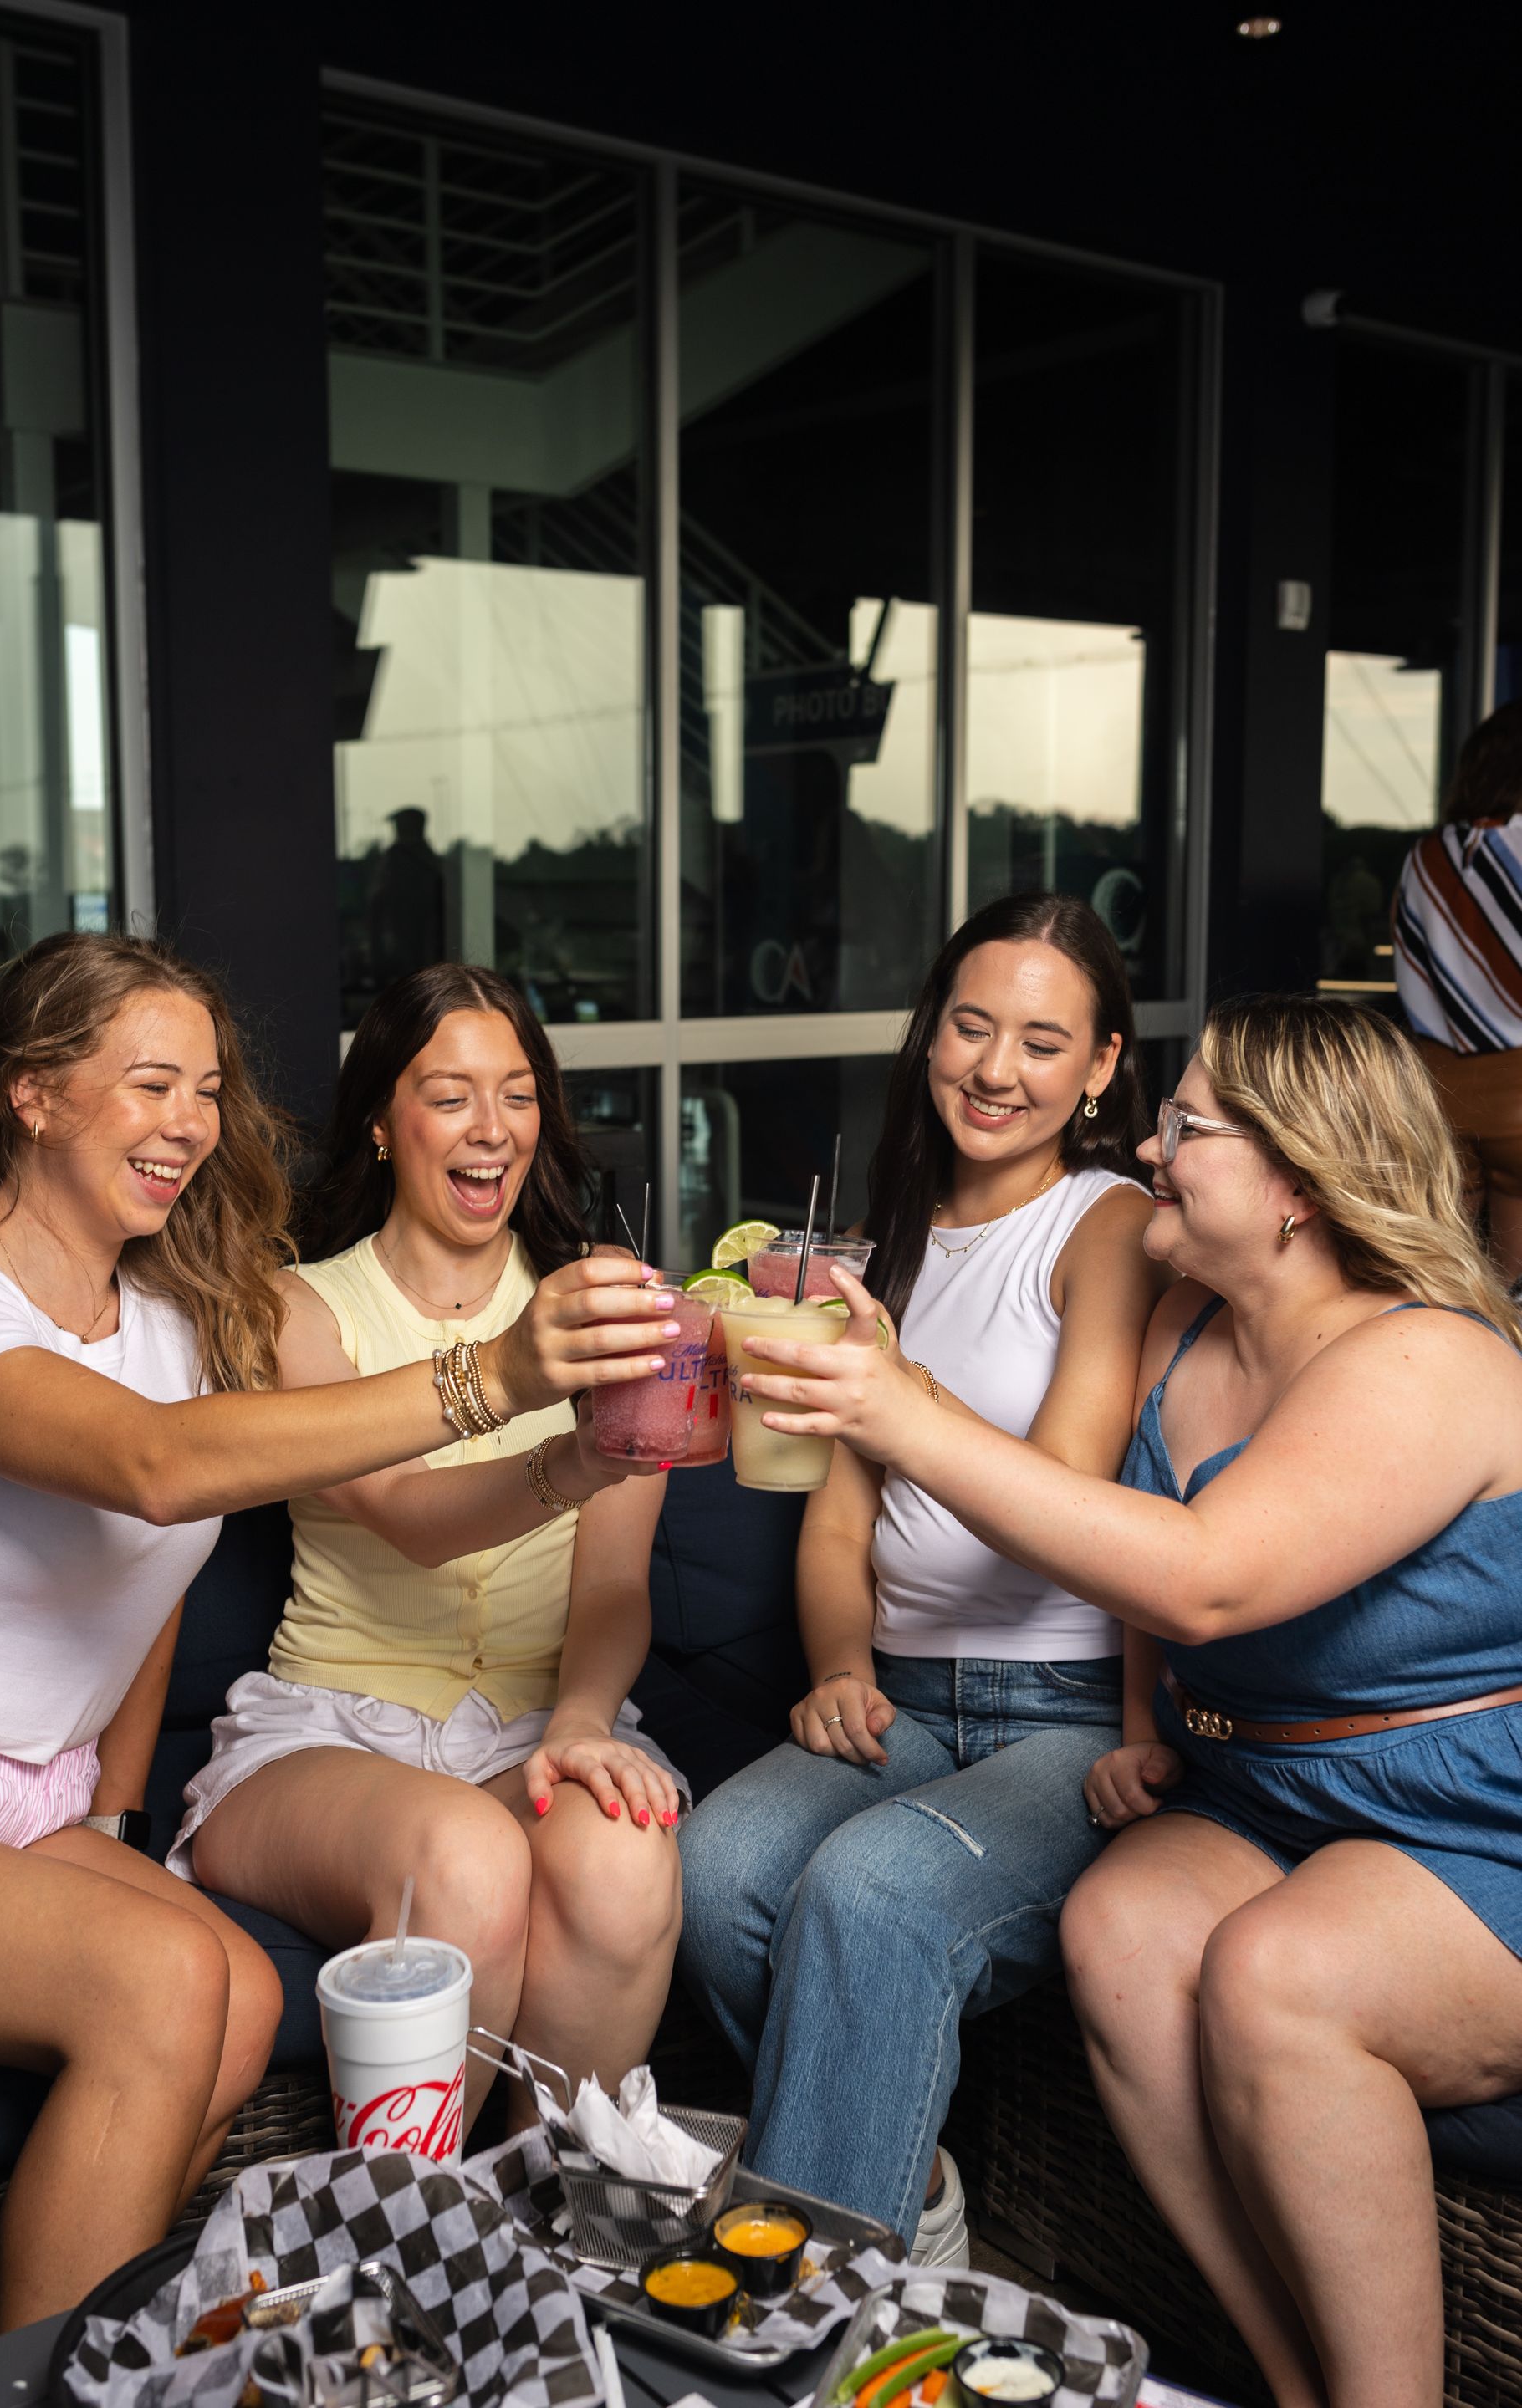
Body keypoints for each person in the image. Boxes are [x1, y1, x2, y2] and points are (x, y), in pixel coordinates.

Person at [738, 994, 1522, 2408]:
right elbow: (1133, 1552)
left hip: (1468, 1819)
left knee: (1279, 1974)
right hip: (1268, 1792)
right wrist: (1152, 1726)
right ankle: (1292, 2380)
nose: (1148, 1151)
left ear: (1296, 1181)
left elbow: (1210, 1575)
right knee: (1121, 1923)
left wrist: (899, 1412)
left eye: (1187, 1127)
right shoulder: (1184, 1329)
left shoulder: (1430, 1362)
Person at [0, 933, 677, 2348]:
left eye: (206, 1090)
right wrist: (496, 1378)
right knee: (160, 1979)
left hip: (30, 1807)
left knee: (241, 1984)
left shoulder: (170, 1319)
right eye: (151, 1084)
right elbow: (150, 1471)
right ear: (28, 1093)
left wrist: (114, 1806)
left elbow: (137, 1578)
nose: (192, 1124)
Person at [678, 893, 1166, 2259]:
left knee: (870, 1890)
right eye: (970, 1026)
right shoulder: (886, 1242)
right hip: (901, 1695)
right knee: (716, 1875)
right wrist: (837, 1665)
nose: (996, 1070)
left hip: (1062, 1713)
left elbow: (1058, 1498)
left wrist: (899, 1385)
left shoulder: (1106, 1223)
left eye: (1042, 1041)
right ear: (930, 1034)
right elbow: (839, 1521)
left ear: (1103, 1068)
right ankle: (912, 2197)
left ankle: (811, 2300)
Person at [176, 965, 684, 2136]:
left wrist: (580, 1723)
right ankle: (417, 2242)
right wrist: (574, 1454)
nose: (491, 1129)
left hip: (523, 1732)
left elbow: (611, 1586)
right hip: (326, 1735)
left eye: (516, 1095)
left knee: (628, 1853)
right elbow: (406, 1508)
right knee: (464, 1853)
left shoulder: (603, 1313)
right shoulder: (294, 1311)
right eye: (450, 1095)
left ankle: (534, 2207)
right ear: (381, 1118)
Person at [1394, 700, 1522, 1282]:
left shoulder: (1425, 858)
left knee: (1442, 1277)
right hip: (1518, 1086)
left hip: (1440, 1090)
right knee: (1513, 1284)